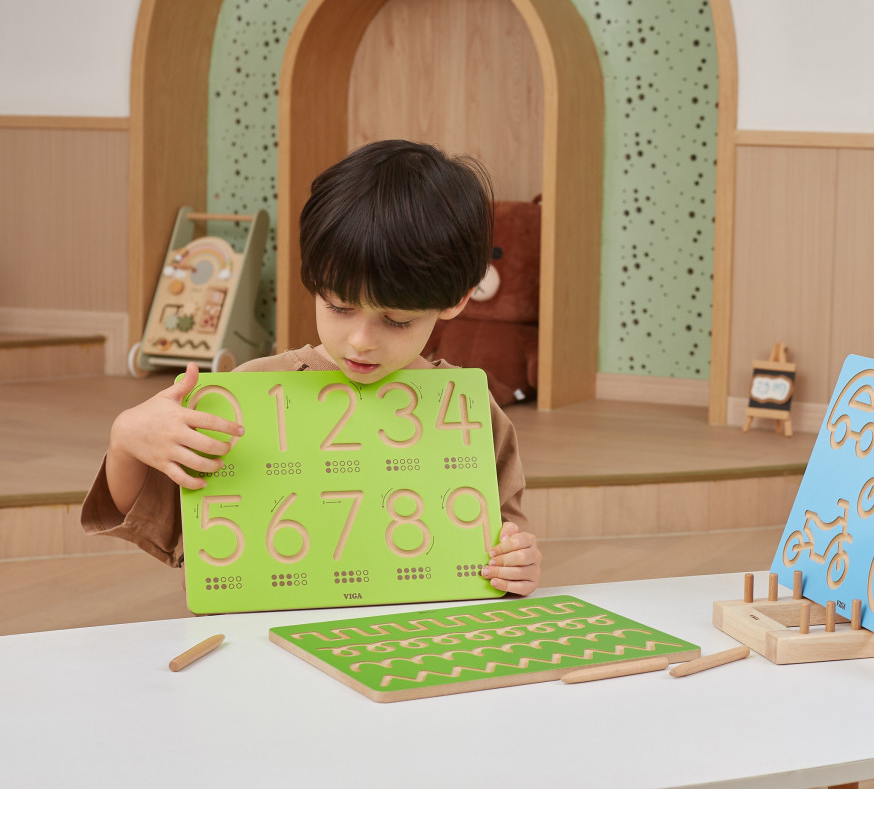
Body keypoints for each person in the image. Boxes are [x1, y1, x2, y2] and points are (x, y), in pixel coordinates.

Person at [81, 140, 542, 595]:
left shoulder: (468, 412)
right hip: (265, 628)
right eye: (339, 307)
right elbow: (159, 522)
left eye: (397, 320)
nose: (361, 341)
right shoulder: (250, 392)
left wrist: (517, 563)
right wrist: (126, 441)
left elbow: (504, 540)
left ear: (456, 300)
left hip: (416, 628)